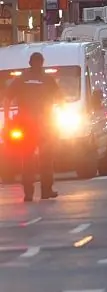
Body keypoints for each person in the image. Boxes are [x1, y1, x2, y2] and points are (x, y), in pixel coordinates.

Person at [4, 52, 62, 202]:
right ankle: (46, 190)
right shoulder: (47, 79)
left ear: (29, 63)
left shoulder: (21, 79)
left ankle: (29, 193)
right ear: (42, 63)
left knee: (28, 159)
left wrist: (8, 118)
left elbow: (7, 98)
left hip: (26, 125)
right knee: (46, 159)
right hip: (44, 125)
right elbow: (60, 98)